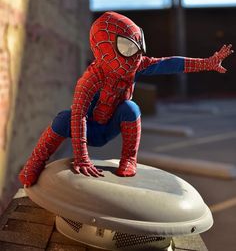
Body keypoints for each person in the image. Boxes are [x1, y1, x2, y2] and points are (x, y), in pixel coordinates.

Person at [19, 11, 233, 186]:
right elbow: (79, 117)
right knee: (63, 118)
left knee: (130, 108)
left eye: (138, 46)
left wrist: (207, 63)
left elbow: (170, 63)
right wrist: (82, 157)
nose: (136, 55)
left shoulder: (136, 64)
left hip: (112, 125)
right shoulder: (90, 80)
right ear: (105, 48)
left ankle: (129, 159)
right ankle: (35, 162)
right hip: (91, 130)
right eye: (128, 47)